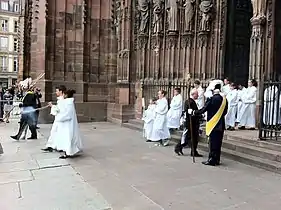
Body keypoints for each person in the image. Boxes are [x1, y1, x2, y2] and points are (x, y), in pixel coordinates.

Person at [188, 82, 228, 166]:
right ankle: (217, 159)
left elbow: (203, 109)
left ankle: (212, 160)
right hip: (221, 123)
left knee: (212, 143)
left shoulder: (212, 99)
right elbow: (225, 112)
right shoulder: (224, 99)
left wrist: (193, 112)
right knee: (218, 143)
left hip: (212, 123)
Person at [48, 89, 83, 159]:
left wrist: (59, 118)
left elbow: (68, 114)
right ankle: (67, 151)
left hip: (68, 124)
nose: (62, 95)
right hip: (65, 124)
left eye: (63, 94)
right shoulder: (66, 102)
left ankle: (68, 152)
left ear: (66, 95)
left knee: (69, 138)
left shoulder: (69, 103)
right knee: (66, 138)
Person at [175, 89, 202, 157]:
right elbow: (189, 112)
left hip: (193, 123)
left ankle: (193, 151)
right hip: (191, 123)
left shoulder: (191, 101)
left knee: (193, 138)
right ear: (193, 94)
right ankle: (179, 147)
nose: (198, 95)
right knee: (188, 137)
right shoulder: (190, 102)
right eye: (196, 94)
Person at [42, 85, 67, 152]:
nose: (56, 92)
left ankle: (55, 146)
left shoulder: (63, 99)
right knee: (54, 132)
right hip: (58, 119)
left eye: (57, 91)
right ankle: (51, 145)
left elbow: (60, 109)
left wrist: (52, 106)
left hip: (60, 119)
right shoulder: (61, 99)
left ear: (61, 91)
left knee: (57, 132)